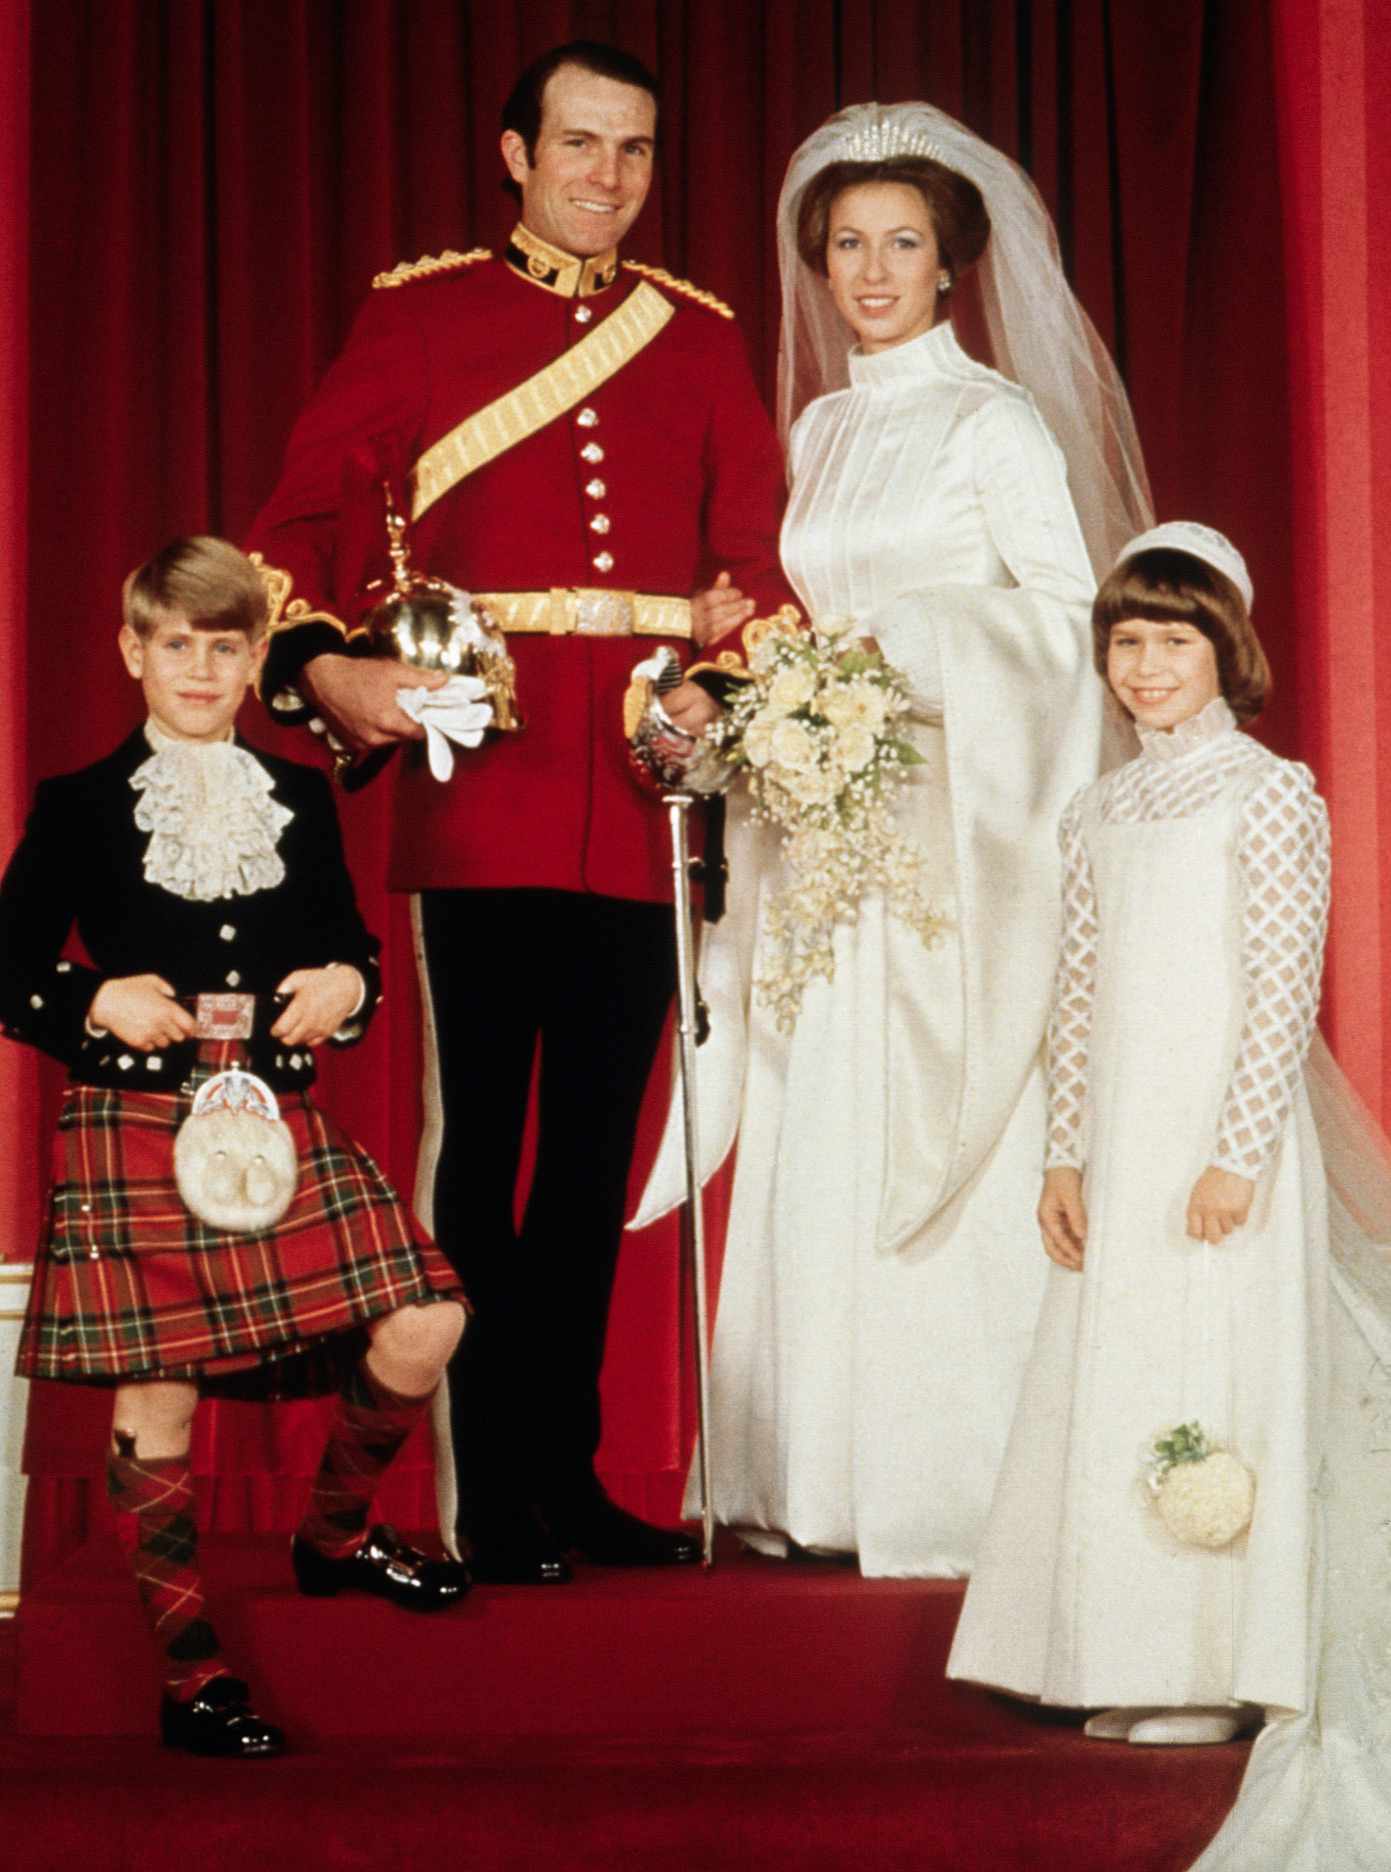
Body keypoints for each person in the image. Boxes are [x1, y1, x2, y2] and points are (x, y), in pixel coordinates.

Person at [245, 41, 796, 1584]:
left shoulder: (695, 339)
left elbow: (747, 562)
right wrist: (322, 672)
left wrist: (719, 683)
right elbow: (287, 527)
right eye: (576, 144)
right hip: (479, 786)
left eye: (631, 150)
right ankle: (485, 1492)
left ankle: (566, 1476)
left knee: (594, 1157)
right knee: (480, 1146)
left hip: (634, 795)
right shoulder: (419, 316)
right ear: (512, 154)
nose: (604, 177)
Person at [634, 102, 1152, 1577]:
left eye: (901, 245)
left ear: (950, 265)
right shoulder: (821, 422)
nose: (870, 271)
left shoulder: (992, 420)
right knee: (819, 1099)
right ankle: (809, 1474)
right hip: (821, 826)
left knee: (933, 1101)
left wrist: (885, 665)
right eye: (848, 242)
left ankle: (949, 1473)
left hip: (949, 840)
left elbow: (1065, 621)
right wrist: (772, 695)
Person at [950, 523, 1391, 1867]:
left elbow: (1277, 992)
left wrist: (1236, 1152)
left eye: (1172, 642)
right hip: (1122, 1144)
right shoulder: (1099, 808)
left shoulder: (1263, 793)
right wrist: (1062, 1155)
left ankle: (1210, 1661)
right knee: (1121, 1373)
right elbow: (1074, 1001)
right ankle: (1125, 1649)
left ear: (1224, 652)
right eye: (1126, 642)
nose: (1144, 667)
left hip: (1215, 1144)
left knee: (1212, 1372)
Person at [3, 537, 471, 1757]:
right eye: (176, 646)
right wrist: (91, 1001)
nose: (200, 670)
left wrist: (343, 984)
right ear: (132, 650)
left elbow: (351, 950)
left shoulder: (300, 798)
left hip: (268, 1104)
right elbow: (5, 968)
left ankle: (333, 1536)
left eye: (225, 648)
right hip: (134, 1112)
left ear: (258, 657)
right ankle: (192, 1674)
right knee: (159, 1388)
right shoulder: (78, 804)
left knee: (424, 1317)